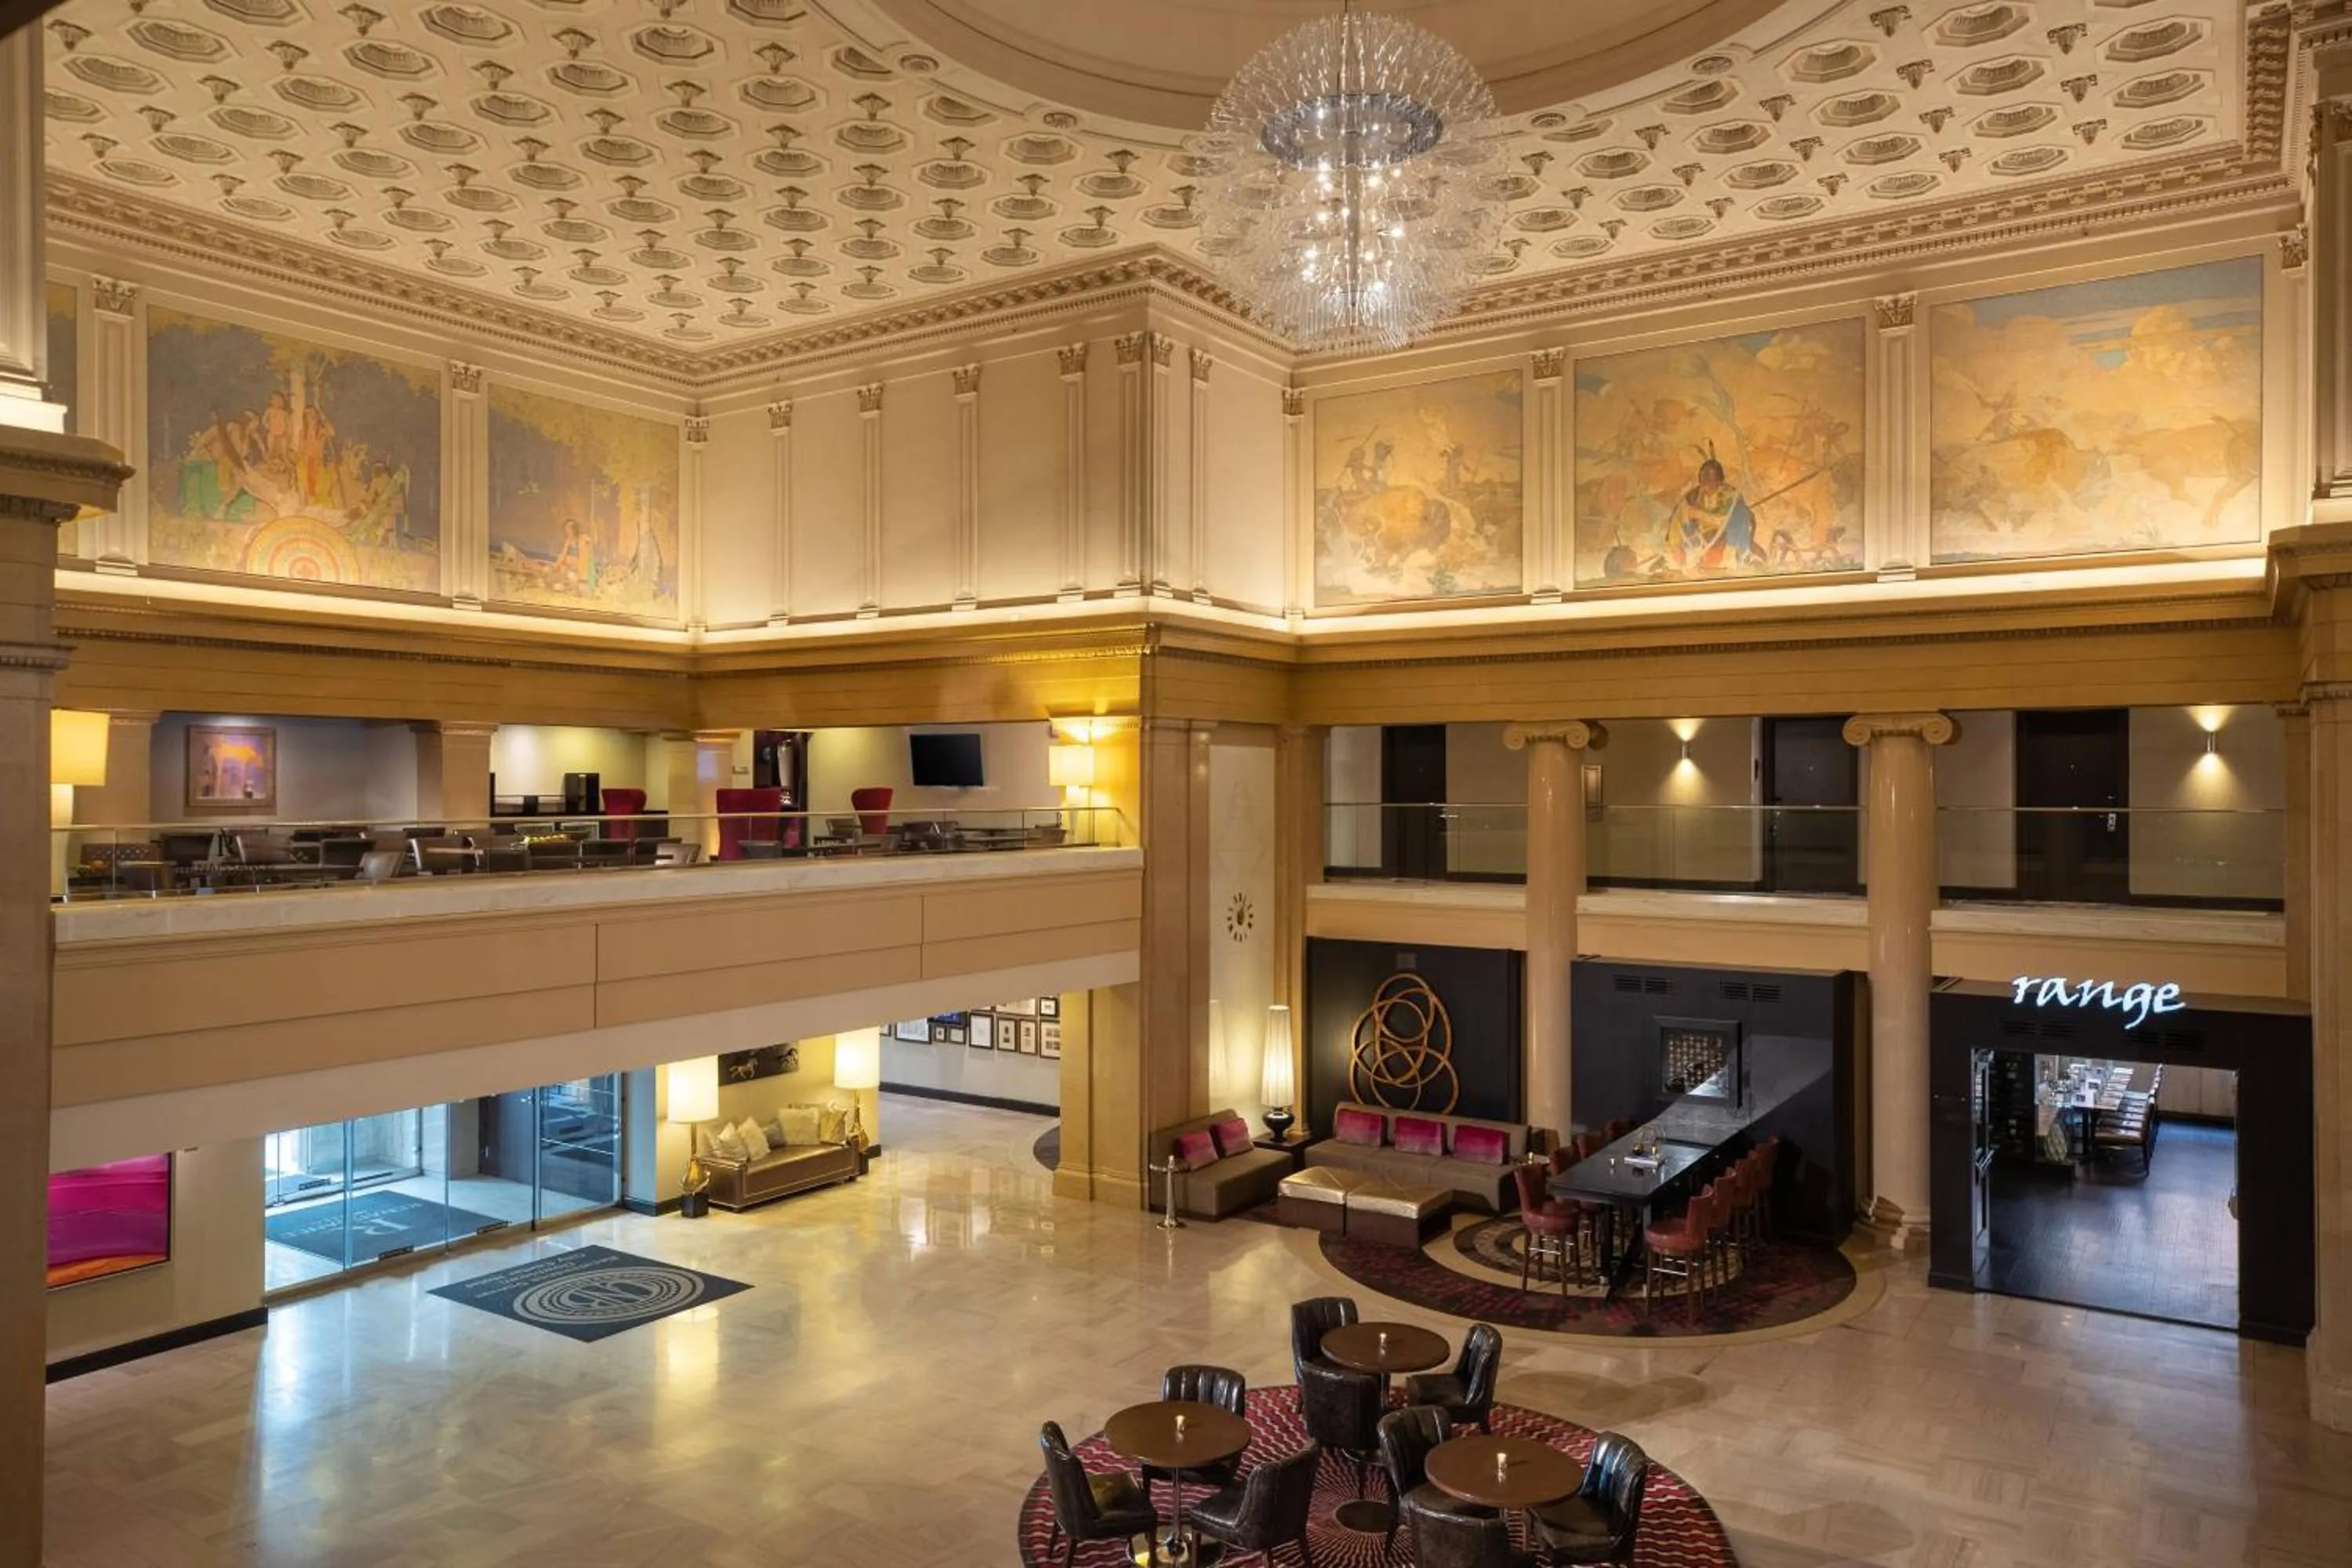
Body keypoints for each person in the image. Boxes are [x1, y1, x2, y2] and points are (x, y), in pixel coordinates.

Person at [1673, 450, 1762, 572]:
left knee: (1741, 512)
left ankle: (1738, 555)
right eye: (1704, 480)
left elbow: (1725, 520)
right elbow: (1681, 520)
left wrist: (1701, 515)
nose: (1707, 484)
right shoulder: (1693, 497)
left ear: (1720, 481)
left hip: (1724, 538)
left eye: (1711, 480)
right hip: (1699, 540)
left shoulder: (1730, 495)